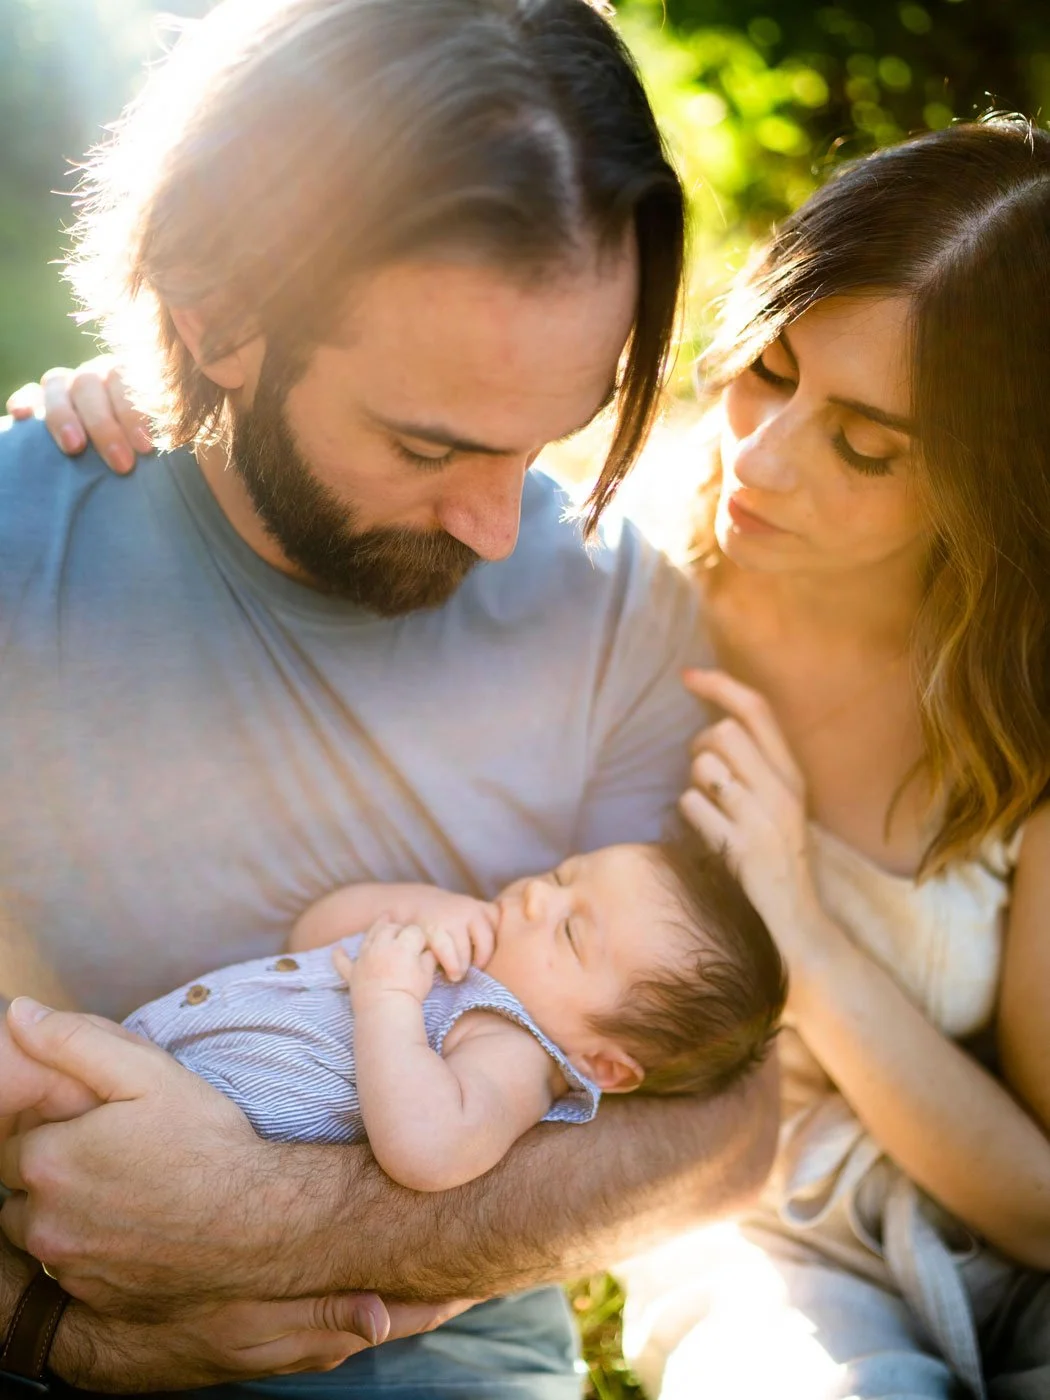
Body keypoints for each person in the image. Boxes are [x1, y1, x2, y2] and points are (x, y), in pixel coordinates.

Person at [28, 114, 1050, 1398]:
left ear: (999, 485)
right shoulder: (631, 585)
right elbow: (406, 427)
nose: (765, 458)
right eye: (770, 369)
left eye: (865, 444)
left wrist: (801, 927)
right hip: (775, 1249)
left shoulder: (1011, 718)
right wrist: (159, 405)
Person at [0, 0, 779, 1394]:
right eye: (430, 443)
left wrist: (250, 1222)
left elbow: (724, 1129)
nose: (501, 526)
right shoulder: (18, 549)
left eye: (553, 435)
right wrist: (60, 1333)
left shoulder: (611, 605)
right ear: (218, 308)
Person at [0, 836, 786, 1190]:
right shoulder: (464, 940)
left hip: (194, 1116)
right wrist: (422, 910)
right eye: (563, 875)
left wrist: (387, 1000)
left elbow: (430, 1150)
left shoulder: (513, 1053)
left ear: (603, 1063)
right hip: (161, 1057)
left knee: (26, 1066)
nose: (539, 897)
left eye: (573, 930)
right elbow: (316, 932)